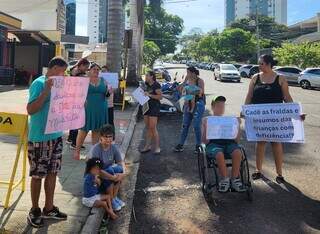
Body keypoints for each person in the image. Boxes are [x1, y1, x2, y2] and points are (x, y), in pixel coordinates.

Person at [26, 57, 68, 228]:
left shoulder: (60, 84)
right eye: (62, 71)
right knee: (37, 175)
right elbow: (30, 109)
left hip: (56, 135)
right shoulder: (39, 83)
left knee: (52, 173)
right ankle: (35, 210)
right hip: (40, 139)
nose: (63, 75)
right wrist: (46, 90)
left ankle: (49, 208)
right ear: (55, 68)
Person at [244, 54, 294, 183]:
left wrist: (295, 111)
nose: (259, 65)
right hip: (259, 118)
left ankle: (279, 174)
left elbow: (287, 97)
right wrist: (245, 110)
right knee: (260, 143)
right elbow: (249, 96)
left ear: (268, 64)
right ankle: (258, 170)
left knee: (276, 143)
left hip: (276, 119)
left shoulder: (280, 78)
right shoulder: (255, 78)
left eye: (261, 63)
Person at [202, 96, 246, 193]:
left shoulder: (229, 120)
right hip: (214, 144)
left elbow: (236, 140)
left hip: (229, 143)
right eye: (218, 106)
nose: (221, 108)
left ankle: (235, 179)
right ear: (212, 107)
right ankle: (225, 179)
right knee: (219, 154)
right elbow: (205, 141)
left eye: (222, 106)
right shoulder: (207, 120)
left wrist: (238, 126)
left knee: (238, 152)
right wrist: (205, 127)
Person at [74, 63, 109, 160]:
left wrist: (110, 91)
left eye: (98, 70)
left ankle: (94, 154)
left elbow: (107, 95)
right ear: (89, 70)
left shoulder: (104, 80)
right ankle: (77, 152)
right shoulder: (84, 80)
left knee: (97, 131)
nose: (96, 71)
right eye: (94, 69)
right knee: (83, 131)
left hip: (101, 108)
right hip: (87, 109)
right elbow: (77, 93)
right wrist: (82, 100)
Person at [88, 124, 126, 212]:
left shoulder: (113, 147)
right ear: (101, 137)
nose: (108, 139)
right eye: (106, 137)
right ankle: (112, 200)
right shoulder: (96, 149)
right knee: (110, 171)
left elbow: (120, 162)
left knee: (119, 170)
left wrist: (123, 174)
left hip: (107, 174)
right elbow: (97, 170)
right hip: (96, 177)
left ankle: (114, 197)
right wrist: (112, 177)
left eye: (110, 137)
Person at [174, 66, 205, 153]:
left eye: (188, 72)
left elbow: (201, 93)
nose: (187, 74)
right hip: (187, 105)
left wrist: (189, 92)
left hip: (198, 105)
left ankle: (198, 145)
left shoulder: (200, 81)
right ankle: (181, 144)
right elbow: (180, 90)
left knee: (196, 126)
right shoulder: (187, 81)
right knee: (185, 125)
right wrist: (183, 83)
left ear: (193, 73)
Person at [67, 58, 90, 149]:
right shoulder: (78, 73)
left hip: (73, 98)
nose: (86, 69)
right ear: (81, 65)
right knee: (76, 121)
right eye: (86, 67)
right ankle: (74, 143)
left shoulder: (73, 70)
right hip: (76, 99)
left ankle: (70, 139)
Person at [140, 71, 162, 155]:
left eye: (147, 75)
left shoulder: (156, 85)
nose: (145, 77)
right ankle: (147, 146)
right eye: (145, 75)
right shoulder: (145, 84)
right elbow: (142, 94)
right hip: (146, 107)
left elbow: (160, 97)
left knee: (153, 127)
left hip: (154, 107)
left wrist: (149, 95)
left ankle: (157, 147)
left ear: (152, 77)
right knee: (148, 127)